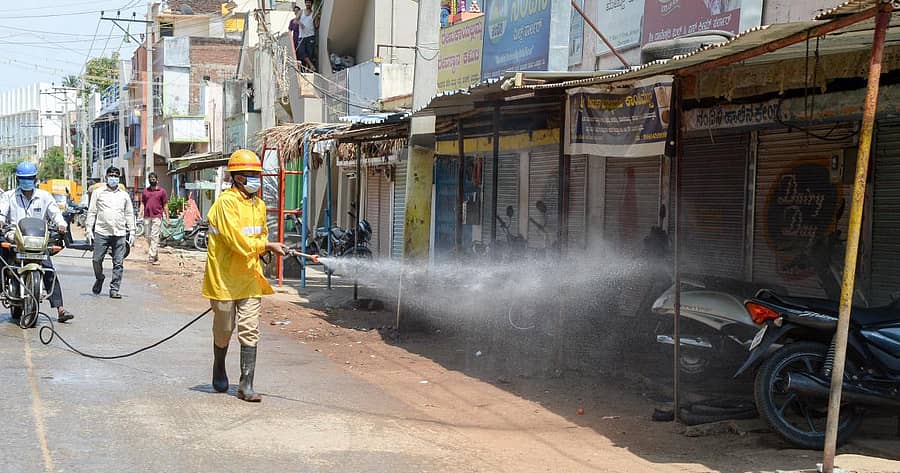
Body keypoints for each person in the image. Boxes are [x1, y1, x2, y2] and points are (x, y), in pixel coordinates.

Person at [203, 149, 286, 402]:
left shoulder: (259, 205)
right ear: (237, 177)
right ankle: (219, 364)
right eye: (251, 175)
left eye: (257, 175)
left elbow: (260, 235)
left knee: (250, 330)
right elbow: (236, 241)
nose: (256, 179)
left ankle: (245, 385)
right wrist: (267, 247)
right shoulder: (225, 204)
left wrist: (266, 245)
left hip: (250, 276)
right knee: (224, 329)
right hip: (224, 279)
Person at [0, 162, 74, 322]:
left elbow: (55, 213)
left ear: (35, 179)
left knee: (48, 269)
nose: (27, 181)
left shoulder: (45, 196)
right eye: (23, 178)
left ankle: (60, 309)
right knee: (3, 263)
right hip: (15, 237)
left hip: (38, 240)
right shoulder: (8, 196)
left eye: (30, 178)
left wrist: (62, 224)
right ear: (18, 179)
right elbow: (2, 212)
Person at [85, 166, 135, 299]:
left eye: (116, 176)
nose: (113, 178)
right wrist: (89, 229)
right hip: (102, 231)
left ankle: (114, 289)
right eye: (111, 175)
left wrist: (132, 231)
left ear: (119, 178)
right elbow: (92, 211)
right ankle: (99, 278)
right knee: (96, 260)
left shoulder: (124, 195)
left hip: (119, 233)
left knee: (118, 263)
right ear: (106, 177)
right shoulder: (98, 192)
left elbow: (129, 213)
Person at [140, 172, 168, 265]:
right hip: (147, 216)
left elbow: (165, 204)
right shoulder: (145, 191)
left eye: (154, 178)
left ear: (157, 179)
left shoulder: (162, 191)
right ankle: (155, 256)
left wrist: (167, 217)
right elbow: (143, 203)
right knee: (148, 236)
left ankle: (151, 256)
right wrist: (140, 212)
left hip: (157, 216)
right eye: (151, 178)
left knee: (155, 236)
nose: (152, 180)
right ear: (149, 180)